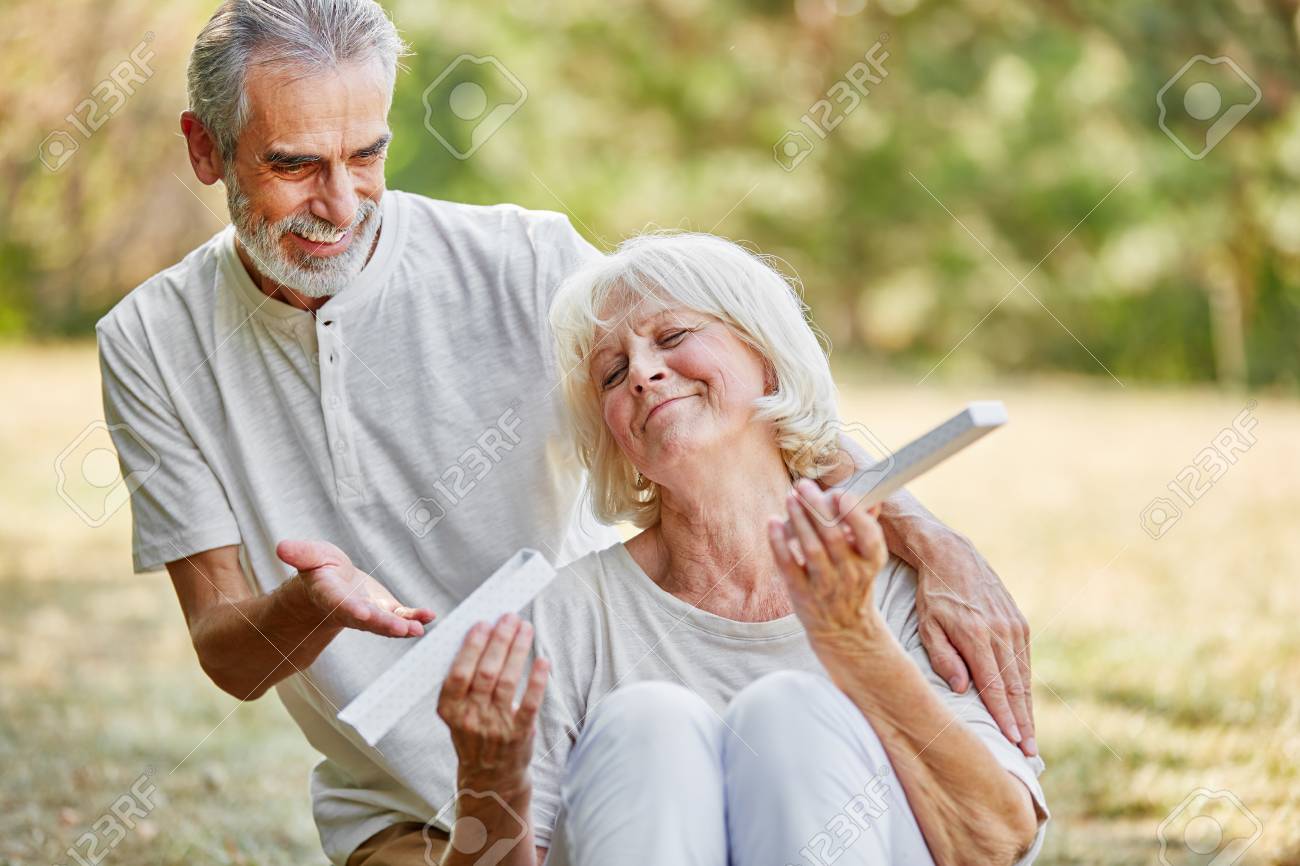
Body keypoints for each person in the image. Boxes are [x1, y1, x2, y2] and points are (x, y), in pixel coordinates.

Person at [98, 1, 1038, 862]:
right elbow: (227, 649)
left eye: (367, 156)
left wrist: (929, 538)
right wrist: (314, 606)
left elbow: (732, 394)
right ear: (206, 149)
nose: (341, 205)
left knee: (685, 745)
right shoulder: (150, 342)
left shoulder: (524, 259)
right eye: (295, 165)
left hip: (604, 736)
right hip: (419, 812)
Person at [436, 233, 1048, 866]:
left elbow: (996, 843)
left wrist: (857, 642)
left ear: (768, 359)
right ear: (615, 437)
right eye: (613, 374)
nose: (641, 373)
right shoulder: (570, 612)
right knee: (645, 720)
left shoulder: (896, 584)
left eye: (673, 336)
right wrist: (491, 779)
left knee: (790, 713)